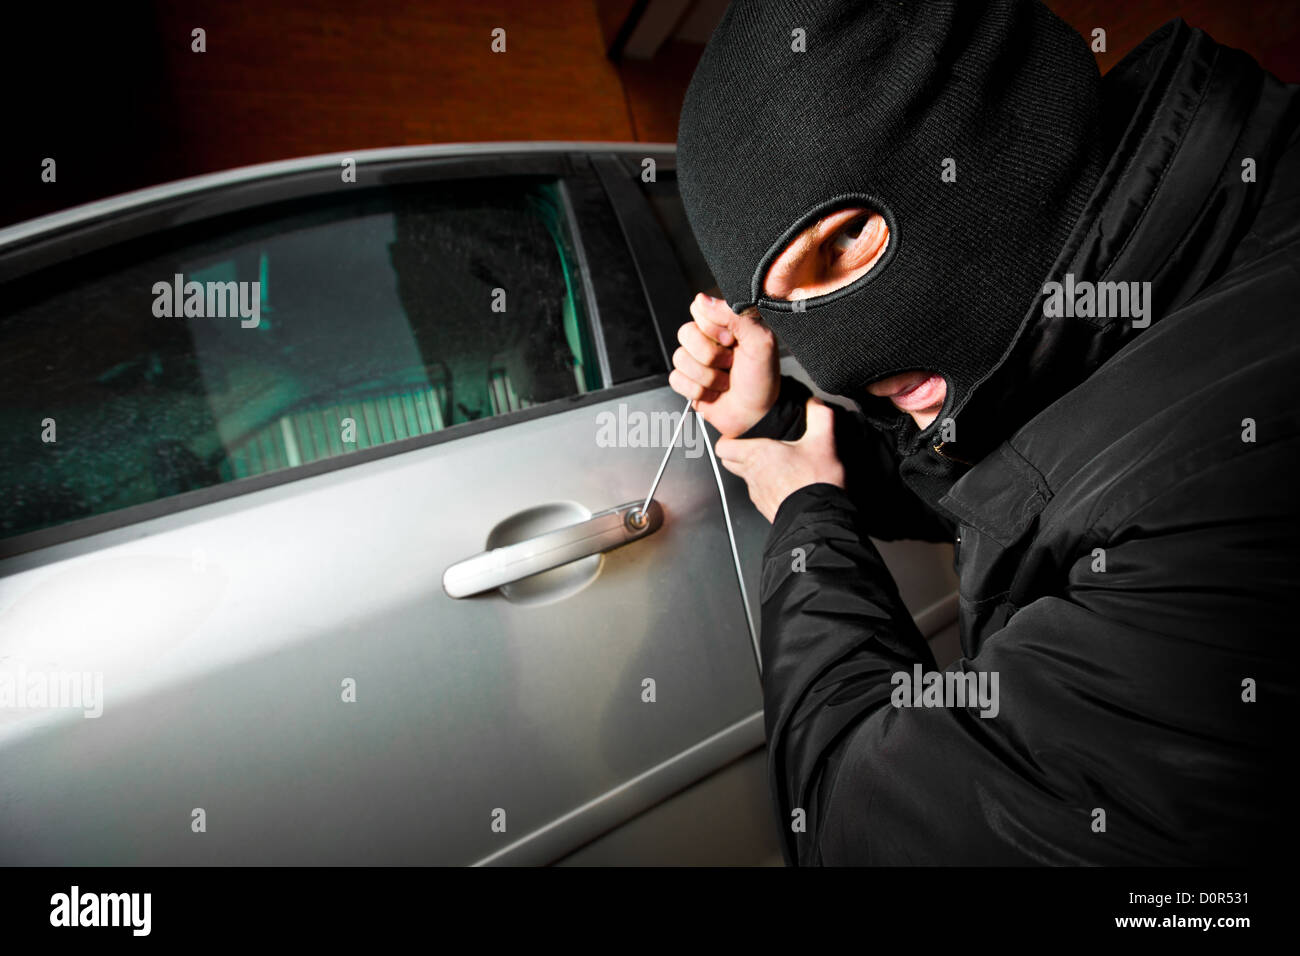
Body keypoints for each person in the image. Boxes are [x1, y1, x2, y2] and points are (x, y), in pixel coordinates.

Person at [670, 0, 1299, 865]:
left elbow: (869, 827)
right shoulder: (1148, 294)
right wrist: (781, 420)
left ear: (993, 129)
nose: (841, 354)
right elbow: (1013, 481)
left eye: (846, 238)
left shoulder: (1225, 482)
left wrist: (807, 516)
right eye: (778, 302)